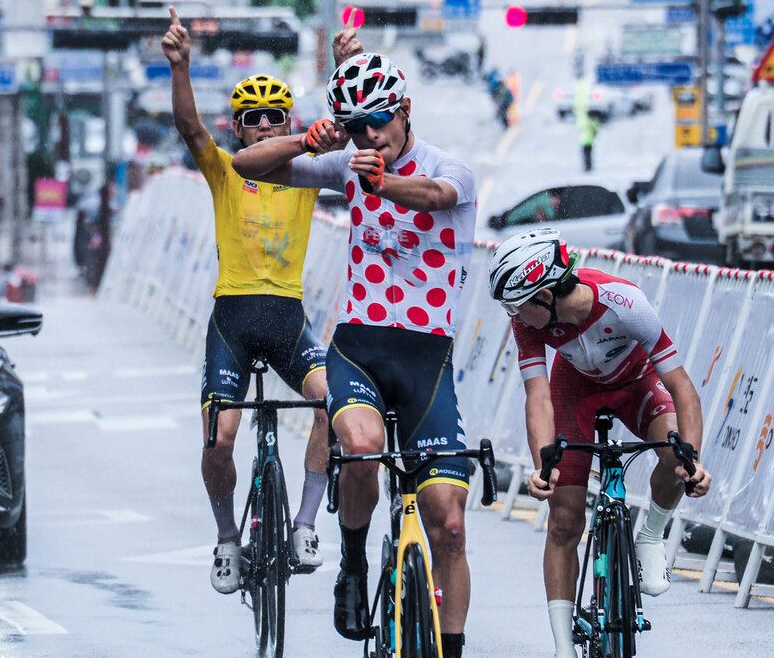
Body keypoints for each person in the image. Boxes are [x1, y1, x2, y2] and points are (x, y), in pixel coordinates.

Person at [231, 50, 478, 658]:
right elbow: (245, 164)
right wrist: (305, 140)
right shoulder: (347, 162)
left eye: (381, 120)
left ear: (406, 110)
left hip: (428, 360)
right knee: (362, 448)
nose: (372, 135)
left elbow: (432, 195)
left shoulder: (450, 168)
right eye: (358, 125)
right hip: (359, 349)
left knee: (449, 524)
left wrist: (381, 183)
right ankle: (353, 565)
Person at [161, 6, 361, 595]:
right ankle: (227, 538)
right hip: (233, 321)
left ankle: (302, 525)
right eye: (254, 121)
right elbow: (189, 127)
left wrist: (346, 67)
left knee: (337, 406)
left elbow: (346, 130)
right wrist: (180, 67)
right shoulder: (226, 171)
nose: (267, 128)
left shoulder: (305, 173)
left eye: (277, 118)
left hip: (288, 322)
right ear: (239, 130)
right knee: (218, 439)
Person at [486, 228, 712, 658]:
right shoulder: (528, 323)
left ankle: (650, 535)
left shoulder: (623, 302)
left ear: (546, 296)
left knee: (674, 454)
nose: (511, 315)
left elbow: (682, 387)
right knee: (565, 520)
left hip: (636, 382)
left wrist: (693, 460)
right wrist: (542, 465)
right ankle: (563, 646)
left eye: (514, 305)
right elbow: (537, 397)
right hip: (574, 392)